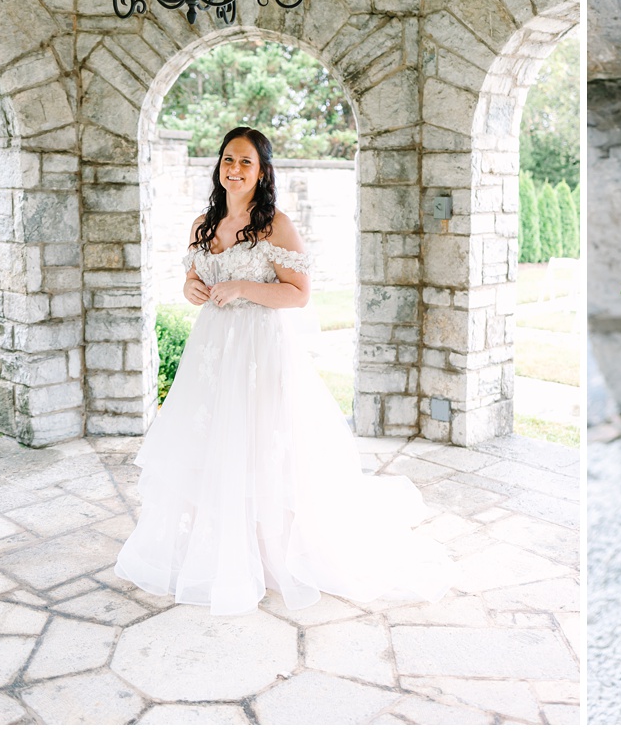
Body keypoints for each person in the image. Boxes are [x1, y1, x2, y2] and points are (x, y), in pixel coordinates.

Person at [115, 127, 455, 615]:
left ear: (262, 171)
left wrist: (243, 287)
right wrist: (192, 287)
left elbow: (298, 294)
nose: (234, 169)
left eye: (245, 162)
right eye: (227, 159)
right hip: (212, 352)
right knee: (213, 441)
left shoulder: (275, 225)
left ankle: (270, 547)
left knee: (262, 440)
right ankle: (219, 540)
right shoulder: (202, 224)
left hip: (259, 351)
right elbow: (193, 276)